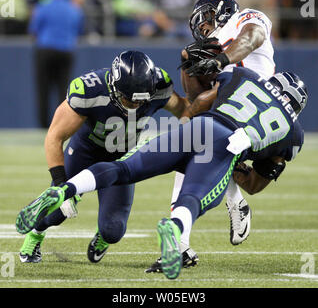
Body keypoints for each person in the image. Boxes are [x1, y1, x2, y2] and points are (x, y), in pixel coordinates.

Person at [16, 66, 307, 280]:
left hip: (199, 126)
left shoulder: (246, 77)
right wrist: (239, 168)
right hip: (224, 146)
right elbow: (255, 185)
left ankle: (67, 190)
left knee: (124, 169)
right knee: (192, 198)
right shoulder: (293, 132)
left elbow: (202, 99)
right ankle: (176, 231)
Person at [145, 0, 277, 273]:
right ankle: (181, 243)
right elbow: (198, 99)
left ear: (220, 12)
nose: (201, 26)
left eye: (204, 18)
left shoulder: (246, 20)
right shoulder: (210, 49)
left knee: (197, 140)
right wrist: (197, 67)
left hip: (262, 116)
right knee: (192, 141)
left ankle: (231, 202)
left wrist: (221, 60)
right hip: (231, 119)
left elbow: (251, 37)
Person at [16, 50, 190, 263]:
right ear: (115, 86)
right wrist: (61, 185)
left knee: (113, 230)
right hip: (86, 151)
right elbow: (54, 137)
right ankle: (35, 235)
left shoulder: (160, 87)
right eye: (128, 98)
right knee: (56, 209)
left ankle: (103, 238)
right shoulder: (90, 90)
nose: (134, 105)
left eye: (140, 100)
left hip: (120, 160)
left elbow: (185, 111)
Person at [29, 0, 85, 128]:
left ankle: (43, 126)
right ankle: (61, 125)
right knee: (63, 91)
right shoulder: (74, 9)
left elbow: (33, 30)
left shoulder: (43, 6)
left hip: (45, 50)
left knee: (43, 90)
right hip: (66, 51)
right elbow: (79, 31)